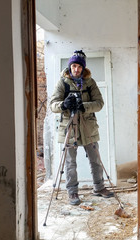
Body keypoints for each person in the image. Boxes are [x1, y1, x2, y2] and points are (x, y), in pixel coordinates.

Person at [50, 50, 114, 205]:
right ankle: (72, 193)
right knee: (70, 162)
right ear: (70, 66)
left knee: (95, 159)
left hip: (88, 127)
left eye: (79, 66)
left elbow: (99, 103)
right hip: (69, 126)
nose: (76, 69)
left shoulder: (90, 82)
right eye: (73, 66)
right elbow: (53, 105)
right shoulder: (62, 83)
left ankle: (99, 187)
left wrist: (83, 106)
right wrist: (64, 104)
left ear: (83, 68)